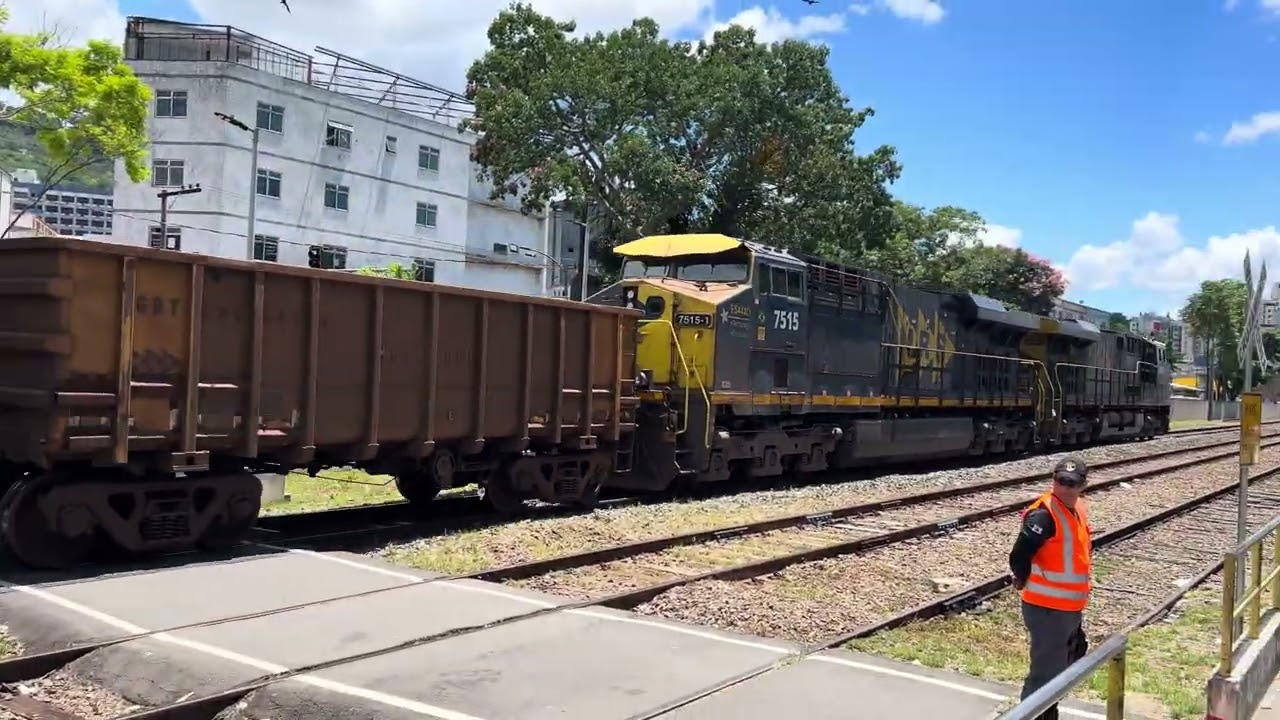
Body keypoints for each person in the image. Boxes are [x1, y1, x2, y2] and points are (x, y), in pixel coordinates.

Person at [1007, 455, 1093, 720]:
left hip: (1067, 607)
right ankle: (1035, 715)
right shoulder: (1044, 515)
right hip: (1047, 608)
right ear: (1053, 481)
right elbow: (1018, 555)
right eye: (1061, 481)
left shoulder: (1077, 508)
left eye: (1072, 483)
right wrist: (1022, 579)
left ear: (1083, 485)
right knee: (1045, 676)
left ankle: (1046, 710)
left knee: (1072, 656)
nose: (1066, 488)